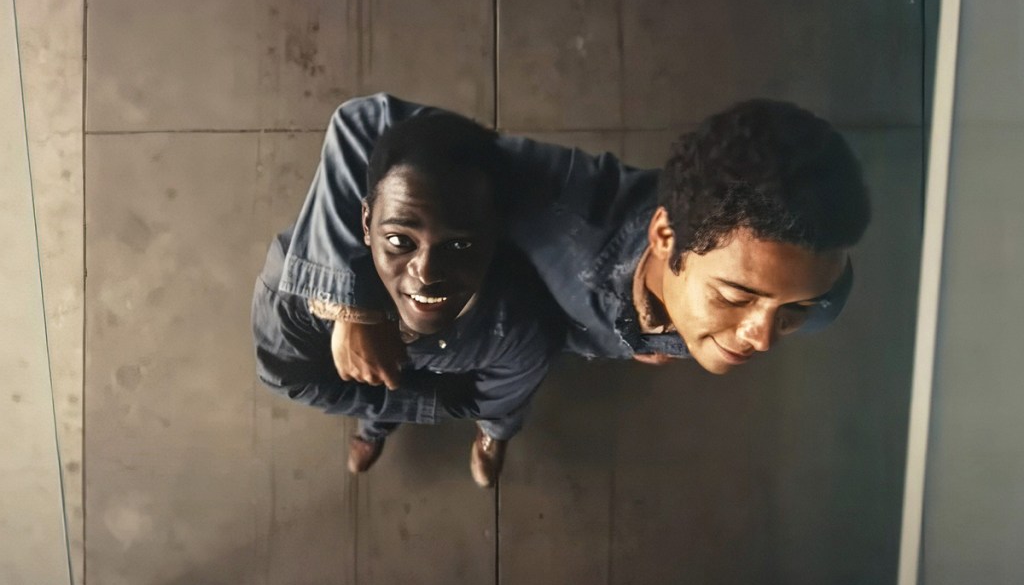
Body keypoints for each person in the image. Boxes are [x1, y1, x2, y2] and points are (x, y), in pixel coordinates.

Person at [278, 93, 870, 387]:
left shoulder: (822, 302)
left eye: (790, 309)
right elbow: (364, 121)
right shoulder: (560, 198)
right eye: (736, 295)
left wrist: (660, 334)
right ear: (664, 236)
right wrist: (352, 307)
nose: (763, 338)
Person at [252, 112, 562, 487]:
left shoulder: (520, 320)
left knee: (503, 413)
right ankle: (376, 427)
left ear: (494, 234)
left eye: (460, 244)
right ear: (366, 223)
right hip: (423, 388)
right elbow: (288, 377)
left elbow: (506, 392)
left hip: (462, 375)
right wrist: (348, 312)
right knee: (374, 393)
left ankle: (490, 434)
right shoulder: (292, 289)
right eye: (400, 241)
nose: (427, 274)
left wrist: (486, 414)